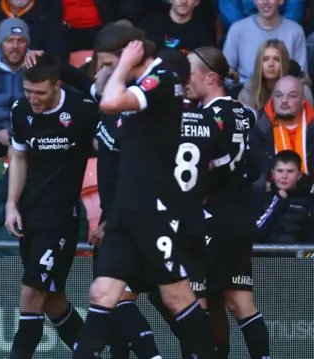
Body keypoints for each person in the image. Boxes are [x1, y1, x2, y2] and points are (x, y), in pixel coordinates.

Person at [73, 28, 215, 359]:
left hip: (153, 208)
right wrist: (118, 67)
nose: (106, 72)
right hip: (126, 208)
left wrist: (121, 67)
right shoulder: (139, 80)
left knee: (177, 298)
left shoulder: (160, 78)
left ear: (130, 54)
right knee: (103, 294)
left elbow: (109, 101)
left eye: (109, 63)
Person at [5, 53, 98, 358]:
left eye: (40, 93)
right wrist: (11, 205)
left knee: (31, 293)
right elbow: (18, 157)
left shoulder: (83, 110)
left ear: (58, 85)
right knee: (53, 298)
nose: (33, 99)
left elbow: (111, 151)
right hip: (31, 213)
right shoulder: (20, 110)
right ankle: (91, 352)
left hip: (61, 217)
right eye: (28, 91)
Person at [186, 46, 271, 359]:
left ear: (210, 77)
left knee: (198, 302)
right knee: (239, 303)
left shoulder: (205, 118)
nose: (185, 79)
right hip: (240, 213)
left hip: (212, 217)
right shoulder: (246, 111)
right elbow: (258, 164)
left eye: (190, 72)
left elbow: (202, 169)